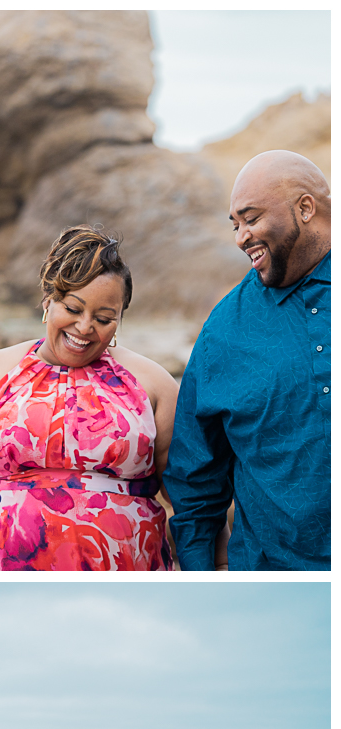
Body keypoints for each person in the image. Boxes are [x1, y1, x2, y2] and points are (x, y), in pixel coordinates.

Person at [164, 150, 331, 570]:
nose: (241, 237)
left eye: (251, 219)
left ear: (305, 208)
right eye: (235, 225)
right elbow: (194, 484)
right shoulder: (223, 333)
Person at [0, 225, 178, 571]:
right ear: (49, 301)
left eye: (104, 318)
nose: (86, 327)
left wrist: (220, 563)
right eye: (73, 309)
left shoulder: (154, 385)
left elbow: (190, 498)